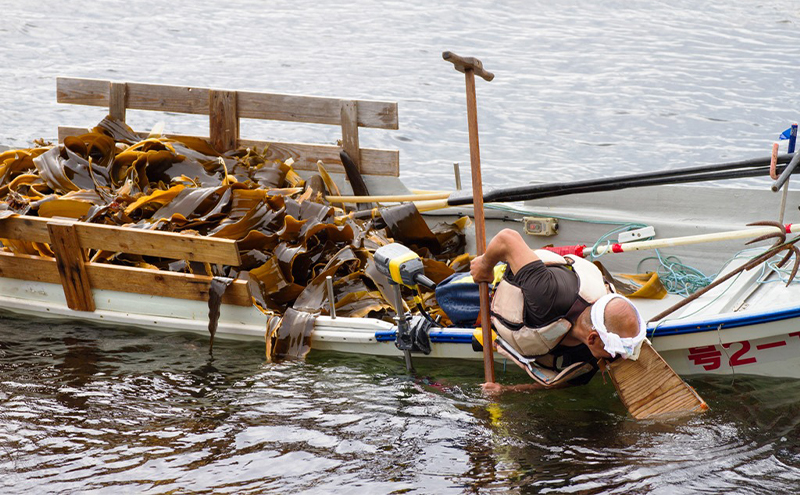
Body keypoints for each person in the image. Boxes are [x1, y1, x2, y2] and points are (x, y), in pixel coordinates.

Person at [469, 229, 647, 393]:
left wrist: (508, 390)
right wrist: (485, 266)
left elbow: (571, 380)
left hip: (532, 302)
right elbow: (507, 239)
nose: (621, 358)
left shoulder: (593, 352)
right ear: (592, 338)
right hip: (489, 289)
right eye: (616, 352)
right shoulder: (548, 296)